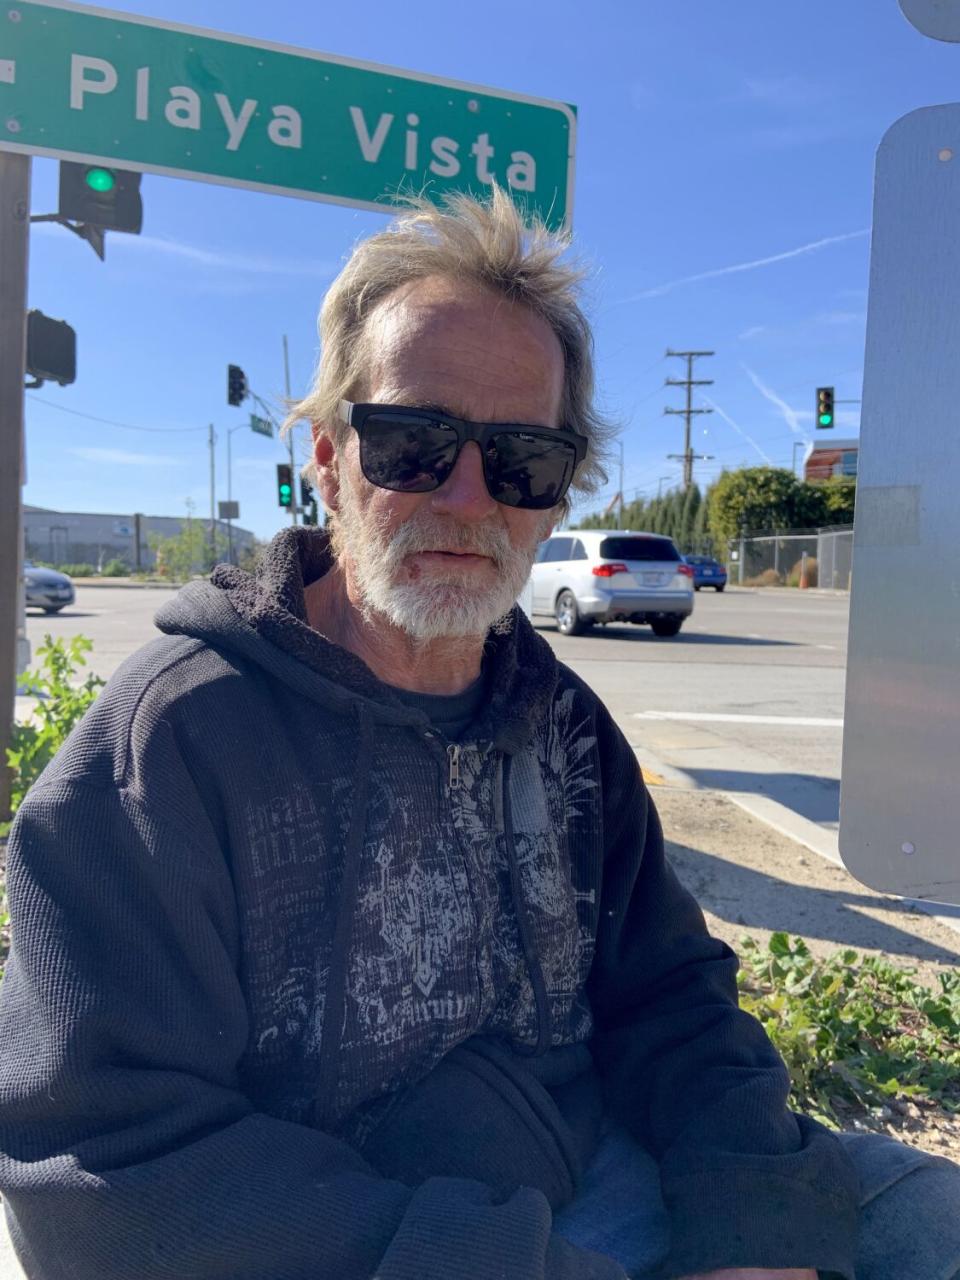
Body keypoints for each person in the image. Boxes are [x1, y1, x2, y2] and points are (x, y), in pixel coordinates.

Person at [0, 189, 956, 1280]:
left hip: (602, 1175)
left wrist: (756, 1225)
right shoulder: (165, 746)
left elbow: (674, 999)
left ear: (557, 496)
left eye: (522, 459)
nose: (468, 495)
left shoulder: (565, 727)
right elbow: (100, 1171)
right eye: (414, 442)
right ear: (326, 456)